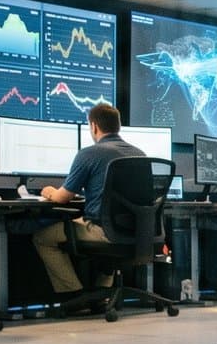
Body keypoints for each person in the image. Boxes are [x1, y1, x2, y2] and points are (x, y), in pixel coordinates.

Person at [33, 102, 144, 298]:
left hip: (104, 231)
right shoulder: (139, 154)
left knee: (42, 237)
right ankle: (102, 294)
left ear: (93, 126)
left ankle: (74, 295)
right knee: (108, 234)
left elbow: (62, 198)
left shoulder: (89, 154)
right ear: (118, 125)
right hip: (138, 231)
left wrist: (49, 191)